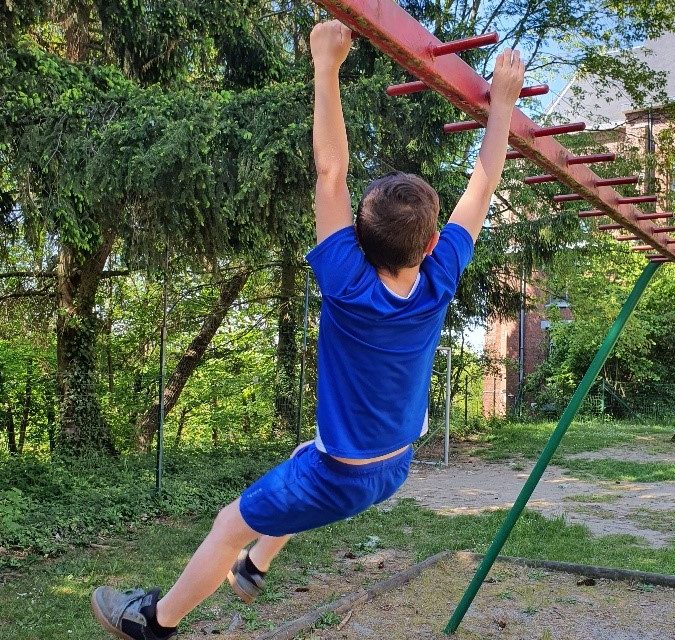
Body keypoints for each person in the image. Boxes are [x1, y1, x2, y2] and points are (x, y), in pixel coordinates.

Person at [90, 19, 524, 640]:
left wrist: (326, 63)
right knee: (303, 458)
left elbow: (331, 175)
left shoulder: (348, 282)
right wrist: (501, 105)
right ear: (431, 243)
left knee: (227, 520)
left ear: (357, 237)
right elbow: (484, 181)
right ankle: (255, 567)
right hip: (395, 463)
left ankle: (152, 622)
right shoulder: (439, 278)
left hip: (345, 474)